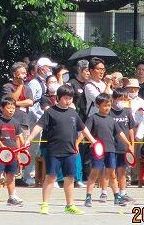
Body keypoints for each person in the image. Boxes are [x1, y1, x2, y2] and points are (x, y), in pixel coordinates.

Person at [25, 85, 98, 215]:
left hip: (70, 151)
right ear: (58, 98)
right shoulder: (50, 112)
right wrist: (29, 138)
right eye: (65, 98)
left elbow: (83, 128)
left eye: (70, 98)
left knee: (69, 178)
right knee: (50, 177)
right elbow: (39, 126)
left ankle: (70, 205)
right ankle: (45, 204)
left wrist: (93, 140)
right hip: (54, 151)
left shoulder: (73, 113)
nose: (68, 101)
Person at [84, 93, 132, 207]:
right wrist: (77, 142)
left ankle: (117, 197)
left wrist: (128, 143)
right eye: (105, 105)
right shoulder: (93, 118)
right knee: (94, 173)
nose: (107, 108)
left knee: (112, 174)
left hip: (111, 149)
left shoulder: (111, 120)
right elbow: (85, 131)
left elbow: (120, 133)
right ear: (98, 105)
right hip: (98, 150)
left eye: (109, 105)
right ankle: (88, 197)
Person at [0, 96, 25, 207]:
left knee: (11, 175)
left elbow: (18, 138)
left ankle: (11, 197)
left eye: (13, 108)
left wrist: (19, 153)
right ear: (1, 108)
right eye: (8, 108)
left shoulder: (16, 122)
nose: (11, 110)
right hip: (0, 153)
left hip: (13, 153)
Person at [111, 88, 136, 202]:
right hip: (111, 145)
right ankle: (104, 192)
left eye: (125, 99)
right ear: (114, 99)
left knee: (122, 171)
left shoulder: (127, 111)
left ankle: (123, 193)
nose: (123, 101)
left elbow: (131, 128)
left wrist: (132, 144)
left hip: (123, 146)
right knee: (110, 172)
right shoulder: (109, 112)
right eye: (121, 99)